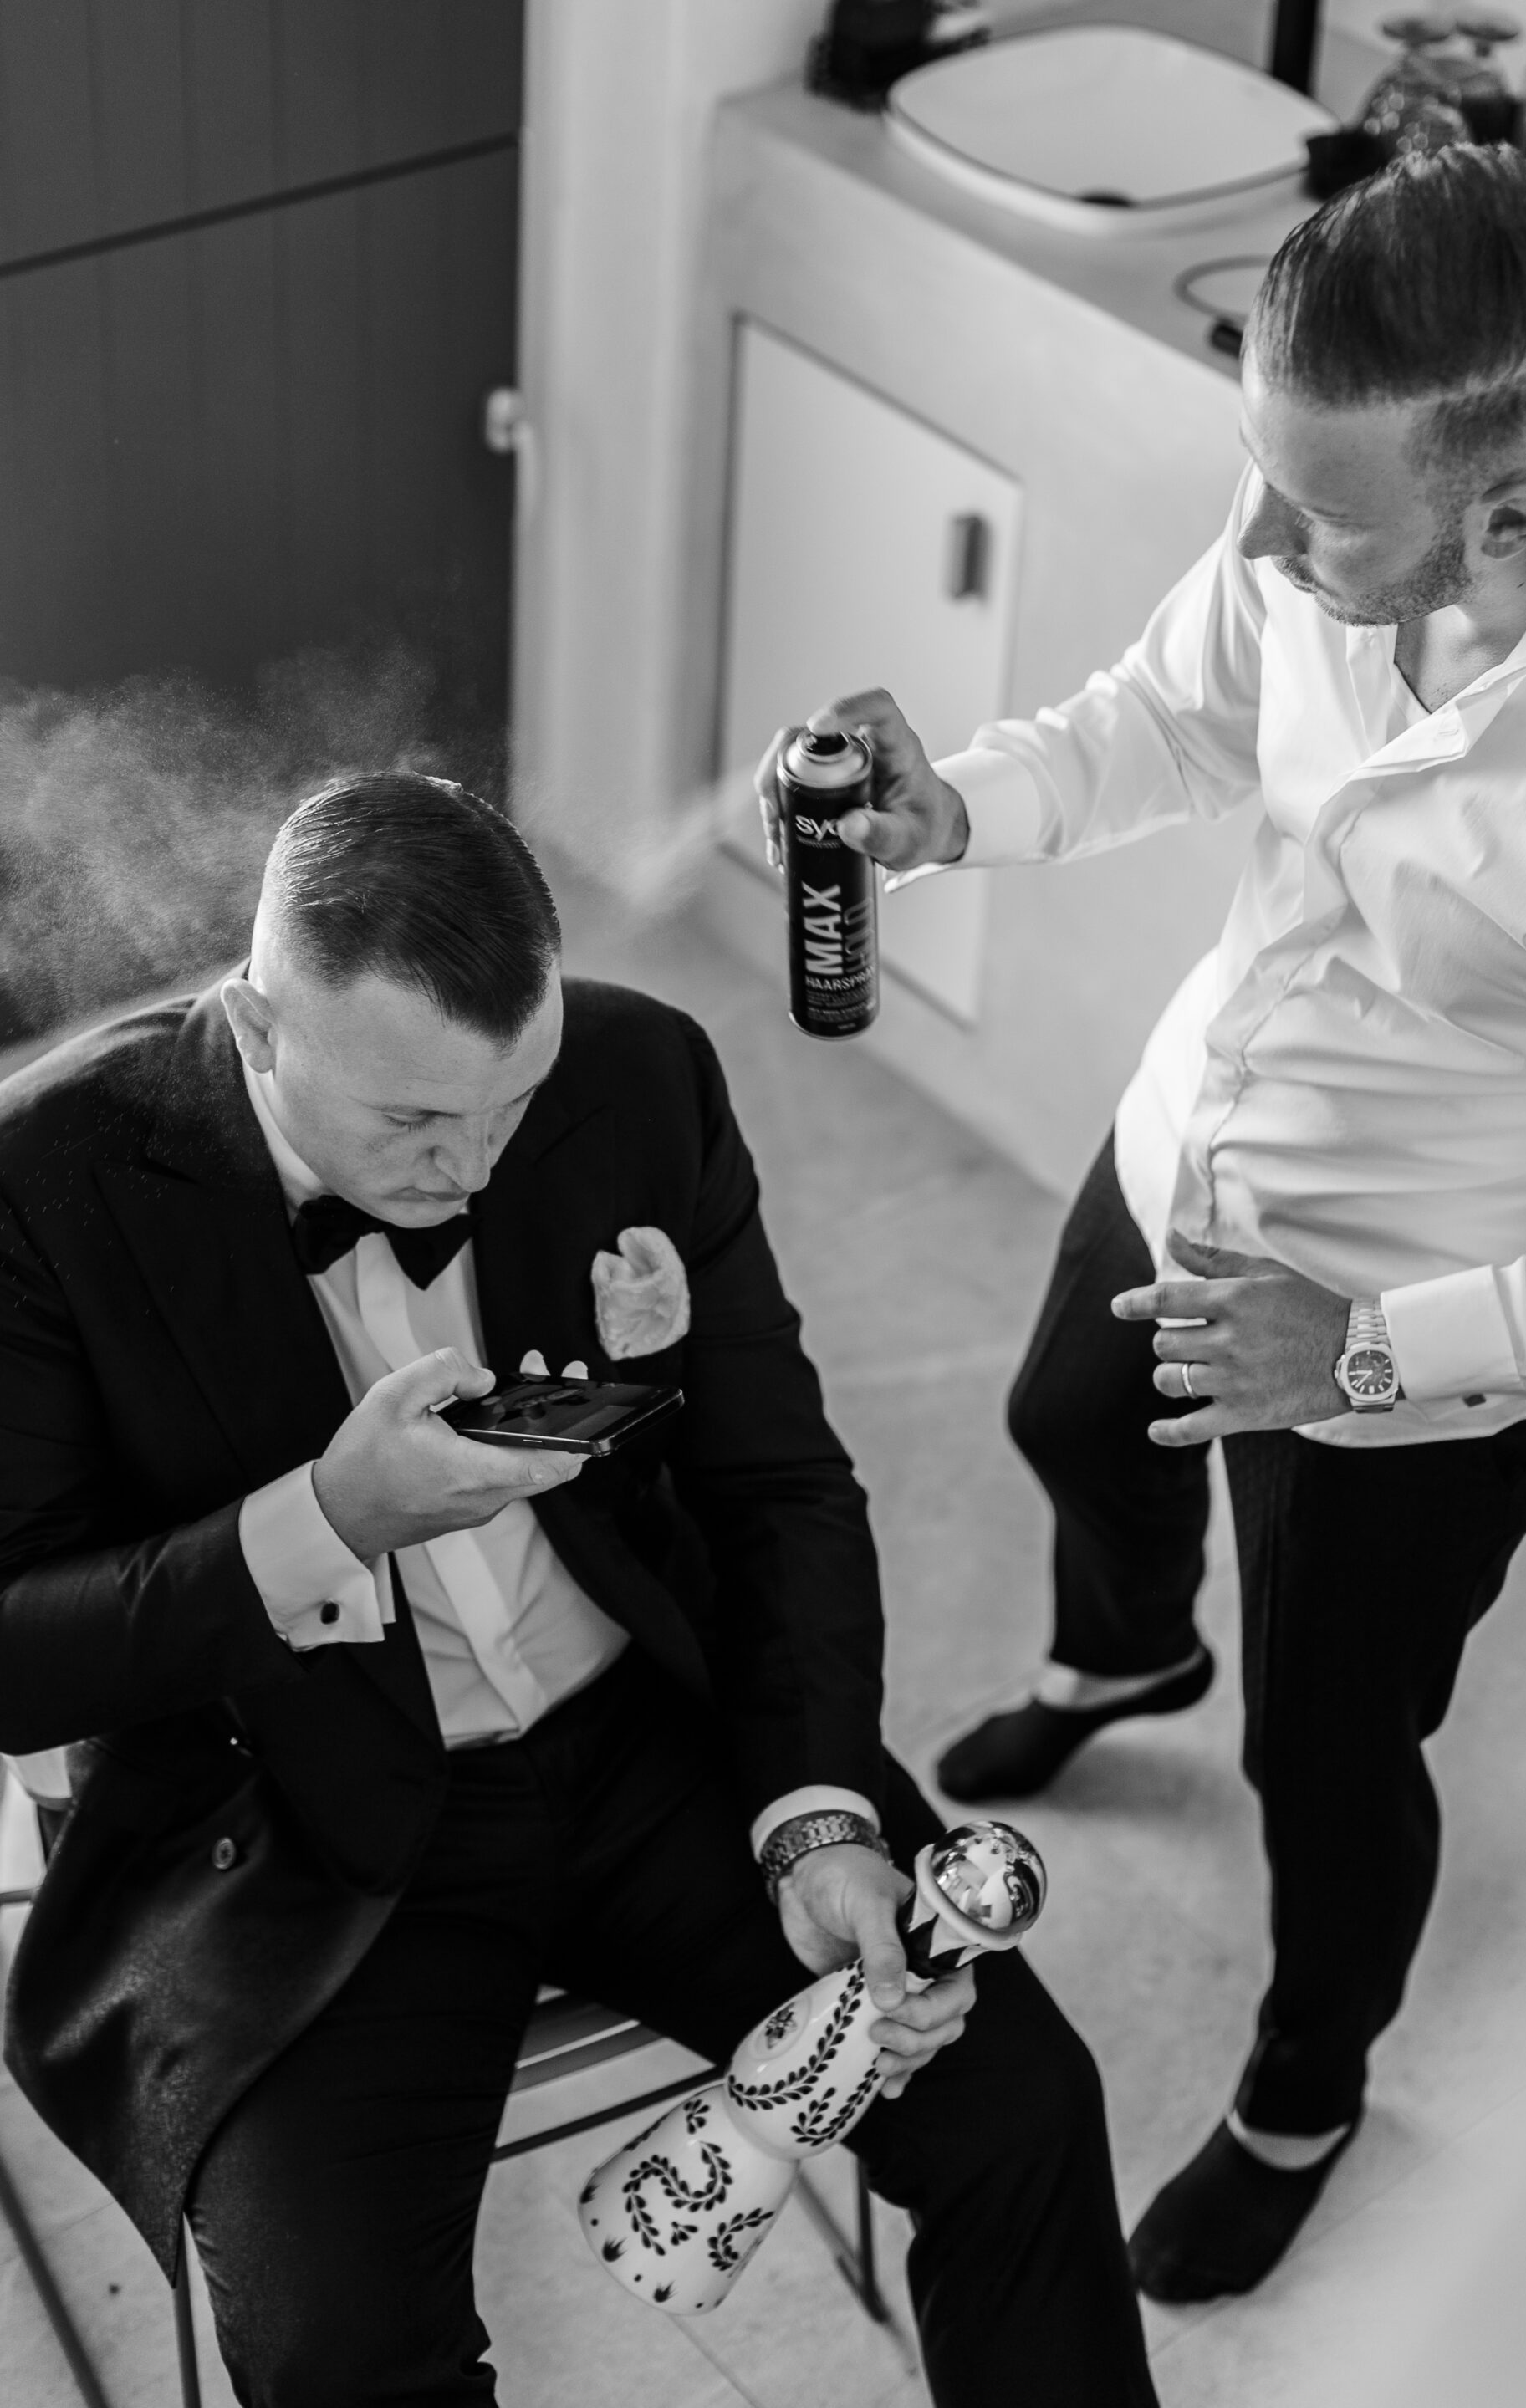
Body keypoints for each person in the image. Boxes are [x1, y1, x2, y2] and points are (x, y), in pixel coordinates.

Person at [0, 773, 1156, 2408]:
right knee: (341, 2361)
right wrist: (324, 1517)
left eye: (508, 1105)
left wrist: (819, 1814)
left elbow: (778, 1483)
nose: (473, 1170)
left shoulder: (633, 1068)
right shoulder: (43, 1181)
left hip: (655, 1744)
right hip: (303, 1833)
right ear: (260, 1026)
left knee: (1022, 2104)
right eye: (412, 1123)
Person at [758, 145, 1526, 2303]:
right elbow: (1167, 708)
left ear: (1510, 509)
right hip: (1187, 1151)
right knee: (1066, 1418)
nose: (1250, 538)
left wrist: (1371, 1356)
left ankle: (1304, 2094)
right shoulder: (1310, 539)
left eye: (1311, 511)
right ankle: (1123, 1641)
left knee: (1330, 1749)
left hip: (1418, 1319)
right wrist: (958, 808)